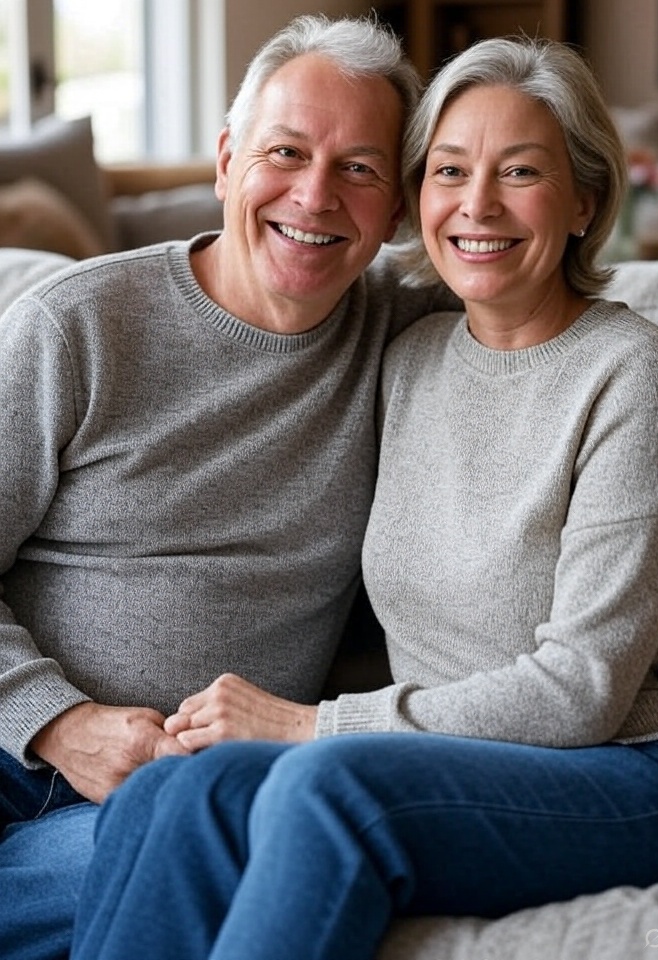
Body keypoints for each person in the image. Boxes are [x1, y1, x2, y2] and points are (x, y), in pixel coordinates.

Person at [69, 35, 658, 960]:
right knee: (174, 795)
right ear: (418, 201)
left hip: (645, 765)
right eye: (449, 170)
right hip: (458, 762)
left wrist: (309, 726)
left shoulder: (635, 372)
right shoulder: (408, 355)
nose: (478, 205)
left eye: (521, 172)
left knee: (324, 789)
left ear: (585, 201)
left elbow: (582, 694)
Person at [0, 14, 455, 960]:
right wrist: (54, 723)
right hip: (13, 765)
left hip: (176, 802)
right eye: (285, 151)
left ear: (400, 208)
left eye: (361, 168)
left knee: (256, 840)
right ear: (225, 159)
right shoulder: (77, 326)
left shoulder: (413, 336)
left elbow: (633, 383)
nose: (315, 195)